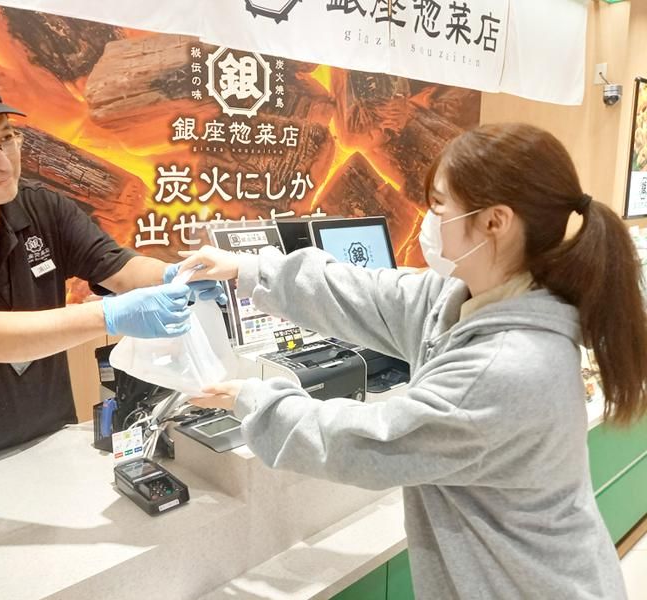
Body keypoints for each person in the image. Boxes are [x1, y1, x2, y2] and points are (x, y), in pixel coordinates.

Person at [177, 123, 647, 599]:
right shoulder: (469, 297)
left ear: (495, 222)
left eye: (440, 204)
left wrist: (255, 400)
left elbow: (367, 443)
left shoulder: (509, 365)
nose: (430, 218)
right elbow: (372, 295)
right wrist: (250, 269)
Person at [0, 65, 224, 462]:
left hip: (52, 436)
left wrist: (177, 275)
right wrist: (109, 316)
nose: (3, 163)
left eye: (7, 139)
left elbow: (119, 269)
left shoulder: (42, 207)